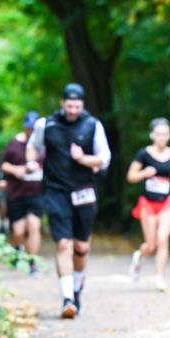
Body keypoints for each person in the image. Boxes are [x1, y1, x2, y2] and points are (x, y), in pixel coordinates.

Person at [28, 83, 111, 318]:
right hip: (55, 191)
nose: (73, 109)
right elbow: (32, 148)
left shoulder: (93, 125)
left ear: (82, 105)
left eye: (77, 105)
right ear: (62, 103)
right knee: (64, 243)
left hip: (84, 190)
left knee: (81, 247)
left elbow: (104, 160)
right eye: (69, 105)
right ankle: (67, 299)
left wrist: (82, 158)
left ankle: (76, 290)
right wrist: (32, 161)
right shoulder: (46, 124)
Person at [127, 118, 170, 292]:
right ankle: (140, 255)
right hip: (147, 203)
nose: (162, 137)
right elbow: (131, 177)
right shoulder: (143, 154)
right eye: (159, 134)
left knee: (163, 239)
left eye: (165, 134)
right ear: (152, 135)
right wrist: (145, 173)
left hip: (167, 201)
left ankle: (159, 277)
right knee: (151, 244)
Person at [0, 111, 44, 275]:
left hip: (37, 193)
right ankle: (17, 249)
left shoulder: (44, 145)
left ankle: (33, 263)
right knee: (18, 231)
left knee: (34, 225)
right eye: (28, 128)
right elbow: (2, 165)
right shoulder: (14, 144)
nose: (31, 131)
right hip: (17, 193)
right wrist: (16, 170)